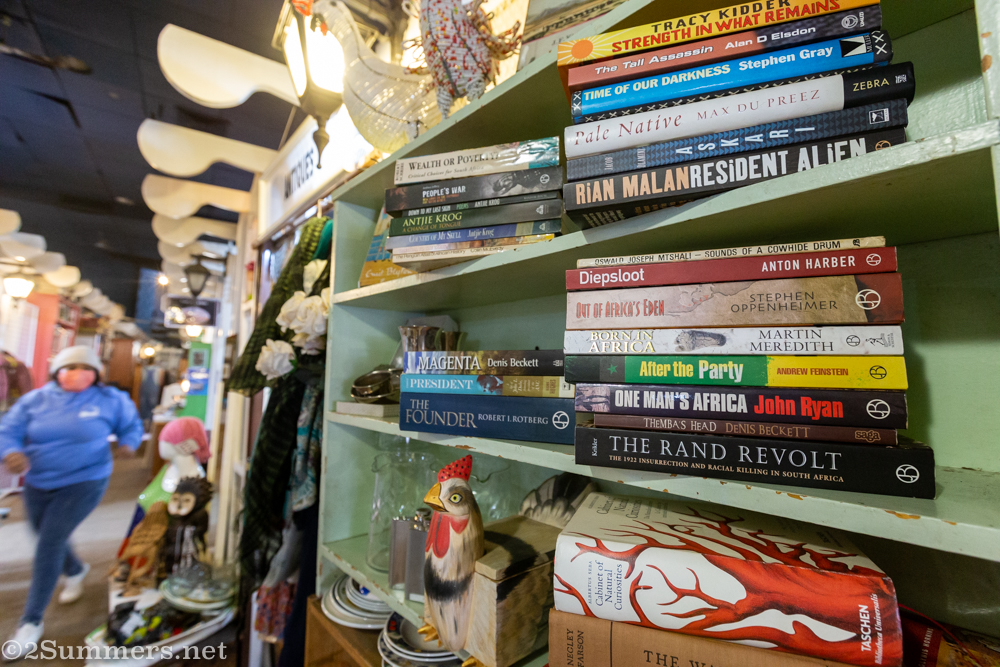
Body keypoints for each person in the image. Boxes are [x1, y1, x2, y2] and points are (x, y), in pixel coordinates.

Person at [0, 346, 143, 661]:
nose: (76, 372)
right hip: (38, 482)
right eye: (69, 367)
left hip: (86, 480)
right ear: (56, 372)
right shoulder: (35, 400)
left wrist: (129, 444)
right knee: (46, 535)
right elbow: (7, 431)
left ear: (96, 374)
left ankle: (30, 622)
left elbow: (131, 426)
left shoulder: (109, 400)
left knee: (49, 542)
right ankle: (76, 570)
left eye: (84, 367)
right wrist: (10, 451)